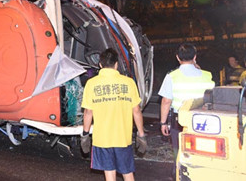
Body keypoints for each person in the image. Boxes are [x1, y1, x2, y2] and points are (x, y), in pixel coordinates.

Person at [81, 48, 146, 181]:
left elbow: (88, 112)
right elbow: (136, 111)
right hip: (123, 137)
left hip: (102, 138)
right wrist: (141, 134)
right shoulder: (128, 83)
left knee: (109, 173)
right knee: (127, 172)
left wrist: (85, 134)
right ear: (116, 64)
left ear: (100, 65)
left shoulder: (92, 84)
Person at [159, 43, 215, 173]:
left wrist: (163, 123)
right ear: (195, 57)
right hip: (202, 120)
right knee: (201, 151)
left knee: (179, 151)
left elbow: (166, 101)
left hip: (179, 121)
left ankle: (179, 173)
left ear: (178, 57)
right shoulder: (207, 75)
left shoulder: (172, 76)